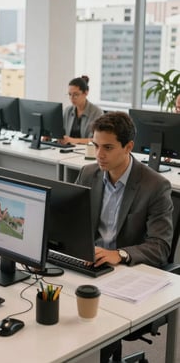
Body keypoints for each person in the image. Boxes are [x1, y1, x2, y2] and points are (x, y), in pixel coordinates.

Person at [74, 111, 173, 363]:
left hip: (126, 274)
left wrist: (120, 254)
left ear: (128, 147)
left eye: (107, 147)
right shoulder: (88, 174)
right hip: (90, 265)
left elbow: (161, 247)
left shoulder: (155, 185)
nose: (99, 155)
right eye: (95, 146)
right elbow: (72, 221)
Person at [59, 75, 103, 145]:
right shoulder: (67, 111)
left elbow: (96, 140)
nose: (72, 98)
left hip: (87, 152)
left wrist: (72, 140)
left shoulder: (97, 112)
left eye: (75, 94)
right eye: (70, 94)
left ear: (86, 93)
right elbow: (60, 133)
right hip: (68, 150)